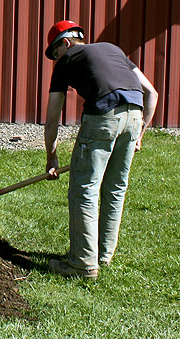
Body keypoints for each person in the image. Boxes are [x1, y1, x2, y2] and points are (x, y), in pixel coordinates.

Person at [43, 21, 158, 278]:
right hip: (134, 114)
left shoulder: (67, 60)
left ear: (65, 43)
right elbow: (151, 93)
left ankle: (82, 265)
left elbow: (52, 118)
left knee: (84, 189)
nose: (56, 60)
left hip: (103, 117)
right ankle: (102, 256)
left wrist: (52, 157)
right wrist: (139, 135)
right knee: (115, 188)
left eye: (55, 53)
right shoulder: (113, 50)